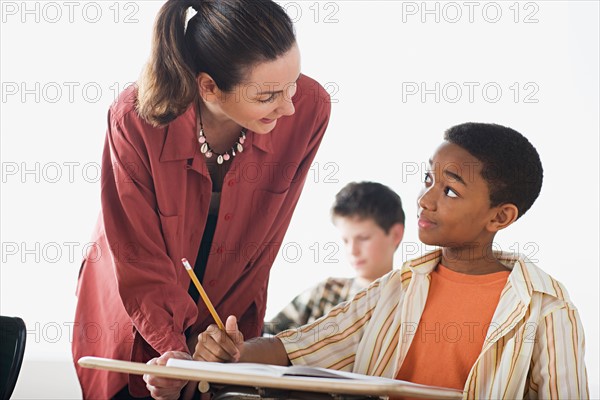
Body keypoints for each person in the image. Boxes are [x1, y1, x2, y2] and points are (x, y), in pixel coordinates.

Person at [171, 123, 589, 400]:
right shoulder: (396, 289)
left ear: (500, 216)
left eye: (450, 191)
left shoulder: (545, 309)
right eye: (429, 179)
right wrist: (234, 352)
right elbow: (297, 347)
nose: (425, 199)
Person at [71, 0, 331, 398]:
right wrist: (172, 347)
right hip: (137, 293)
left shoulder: (309, 109)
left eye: (292, 84)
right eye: (268, 96)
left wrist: (227, 336)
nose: (289, 105)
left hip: (226, 286)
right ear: (207, 86)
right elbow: (136, 251)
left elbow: (265, 240)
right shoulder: (135, 117)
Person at [264, 181, 405, 335]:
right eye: (345, 240)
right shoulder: (325, 293)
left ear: (396, 234)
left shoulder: (408, 301)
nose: (353, 250)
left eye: (363, 238)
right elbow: (264, 334)